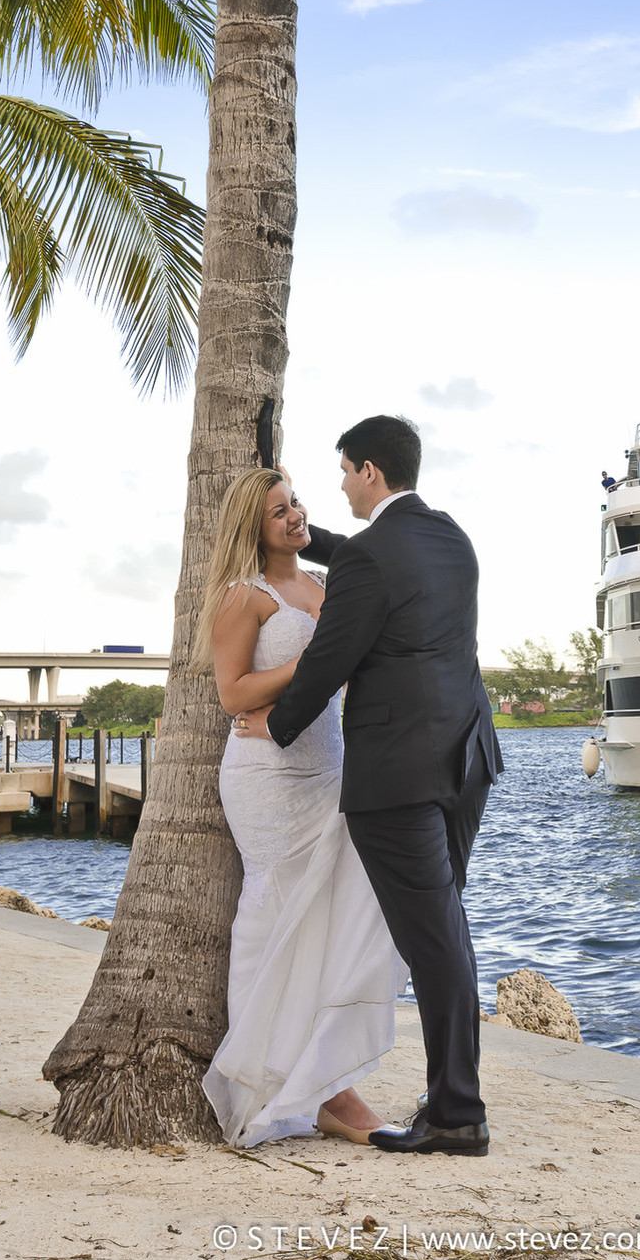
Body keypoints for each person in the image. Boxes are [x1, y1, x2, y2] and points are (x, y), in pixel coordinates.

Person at [237, 414, 503, 1157]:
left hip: (400, 778)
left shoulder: (368, 561)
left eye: (346, 472)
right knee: (447, 930)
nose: (341, 486)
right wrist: (302, 533)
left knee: (437, 943)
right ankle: (454, 1101)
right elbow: (362, 556)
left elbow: (329, 662)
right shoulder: (448, 536)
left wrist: (277, 724)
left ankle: (457, 1113)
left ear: (371, 473)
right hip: (467, 759)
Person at [198, 468, 405, 1148]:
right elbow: (233, 694)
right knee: (276, 914)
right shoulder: (242, 597)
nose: (295, 516)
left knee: (340, 915)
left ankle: (324, 1082)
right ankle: (270, 1083)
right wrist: (312, 660)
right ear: (252, 528)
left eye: (296, 503)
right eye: (278, 512)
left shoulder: (322, 585)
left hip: (329, 768)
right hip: (266, 776)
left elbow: (343, 670)